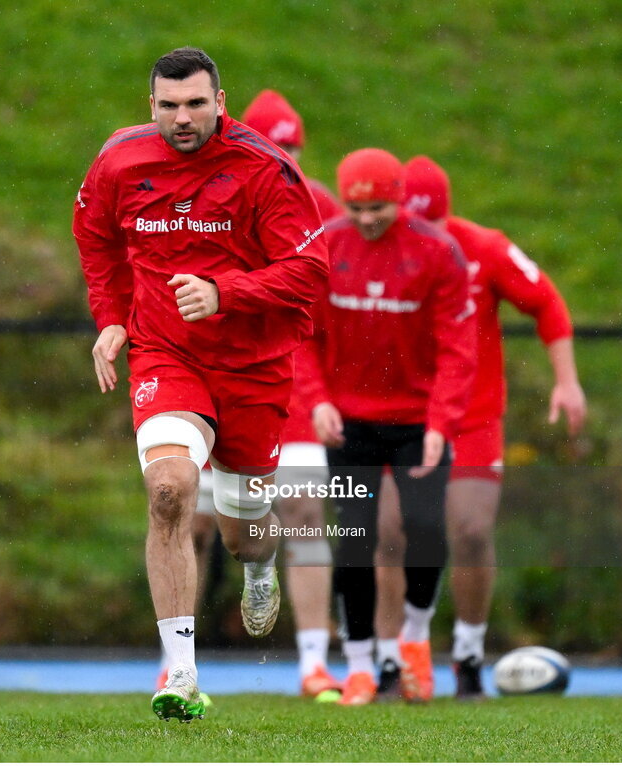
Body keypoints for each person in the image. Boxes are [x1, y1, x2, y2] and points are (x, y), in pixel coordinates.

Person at [72, 47, 329, 722]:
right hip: (165, 355)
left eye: (194, 104)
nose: (181, 118)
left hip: (252, 365)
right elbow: (95, 238)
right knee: (168, 491)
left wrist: (225, 292)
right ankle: (180, 672)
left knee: (246, 532)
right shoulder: (119, 160)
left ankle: (258, 567)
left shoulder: (263, 168)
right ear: (149, 105)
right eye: (168, 105)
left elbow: (309, 271)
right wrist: (111, 320)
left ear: (220, 100)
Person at [374, 155, 587, 699]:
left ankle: (467, 652)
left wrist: (566, 381)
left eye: (436, 226)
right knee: (392, 532)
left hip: (469, 415)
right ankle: (391, 657)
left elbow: (546, 302)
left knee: (469, 529)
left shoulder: (484, 248)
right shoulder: (375, 254)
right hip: (403, 415)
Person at [296, 148, 476, 706]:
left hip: (417, 422)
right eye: (356, 206)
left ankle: (416, 640)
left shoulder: (436, 251)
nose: (366, 217)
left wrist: (441, 422)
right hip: (350, 423)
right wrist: (317, 400)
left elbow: (457, 346)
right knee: (356, 539)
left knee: (424, 531)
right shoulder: (326, 245)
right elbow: (302, 335)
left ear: (398, 200)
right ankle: (358, 667)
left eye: (377, 207)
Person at [241, 88, 343, 698]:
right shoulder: (214, 200)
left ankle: (312, 663)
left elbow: (332, 318)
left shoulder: (325, 208)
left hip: (299, 386)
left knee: (305, 515)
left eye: (295, 150)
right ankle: (175, 659)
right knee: (196, 522)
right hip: (226, 377)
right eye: (278, 149)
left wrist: (332, 390)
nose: (288, 161)